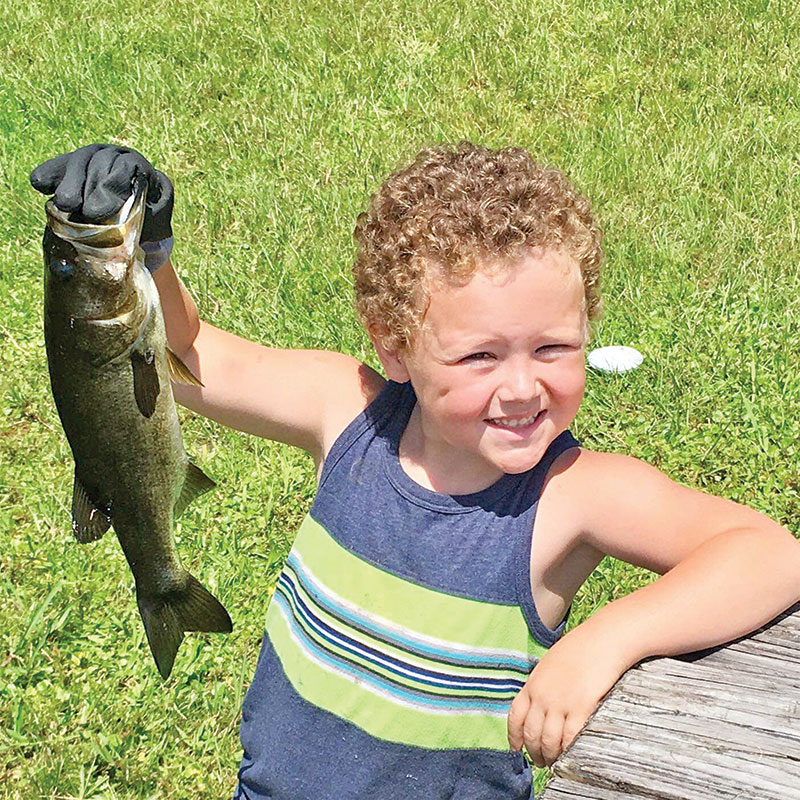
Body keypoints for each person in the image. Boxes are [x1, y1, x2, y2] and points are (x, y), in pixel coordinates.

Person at [31, 142, 800, 799]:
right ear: (395, 346)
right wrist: (145, 256)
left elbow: (768, 553)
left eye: (555, 347)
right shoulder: (347, 413)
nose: (524, 385)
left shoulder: (570, 497)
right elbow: (195, 358)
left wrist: (606, 640)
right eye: (480, 355)